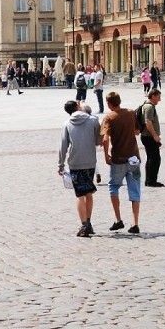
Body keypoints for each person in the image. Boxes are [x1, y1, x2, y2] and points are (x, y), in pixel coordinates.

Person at [57, 99, 102, 237]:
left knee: (80, 194)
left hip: (75, 162)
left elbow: (63, 146)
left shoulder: (67, 124)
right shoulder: (93, 120)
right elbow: (98, 141)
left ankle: (84, 224)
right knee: (89, 192)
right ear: (78, 106)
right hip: (90, 161)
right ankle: (88, 222)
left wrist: (61, 164)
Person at [100, 91, 142, 234]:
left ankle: (118, 220)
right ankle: (135, 223)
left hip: (118, 159)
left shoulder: (109, 118)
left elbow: (105, 139)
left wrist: (106, 155)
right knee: (135, 190)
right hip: (134, 158)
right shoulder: (131, 113)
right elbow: (137, 131)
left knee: (113, 187)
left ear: (109, 103)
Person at [138, 89, 163, 187]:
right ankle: (151, 181)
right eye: (158, 97)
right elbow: (148, 122)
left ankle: (149, 180)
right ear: (153, 96)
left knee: (151, 158)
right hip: (149, 137)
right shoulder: (149, 107)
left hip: (147, 136)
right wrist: (155, 136)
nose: (159, 100)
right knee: (155, 159)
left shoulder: (146, 105)